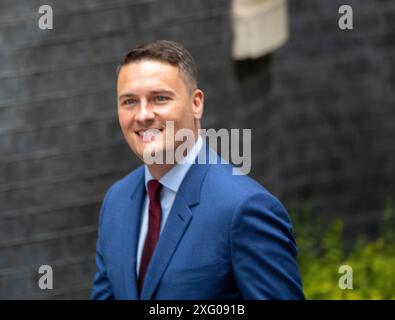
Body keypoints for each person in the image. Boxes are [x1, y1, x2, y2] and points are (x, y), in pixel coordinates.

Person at [91, 40, 304, 300]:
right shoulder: (117, 200)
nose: (143, 114)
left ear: (196, 103)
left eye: (160, 98)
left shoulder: (245, 208)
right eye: (129, 102)